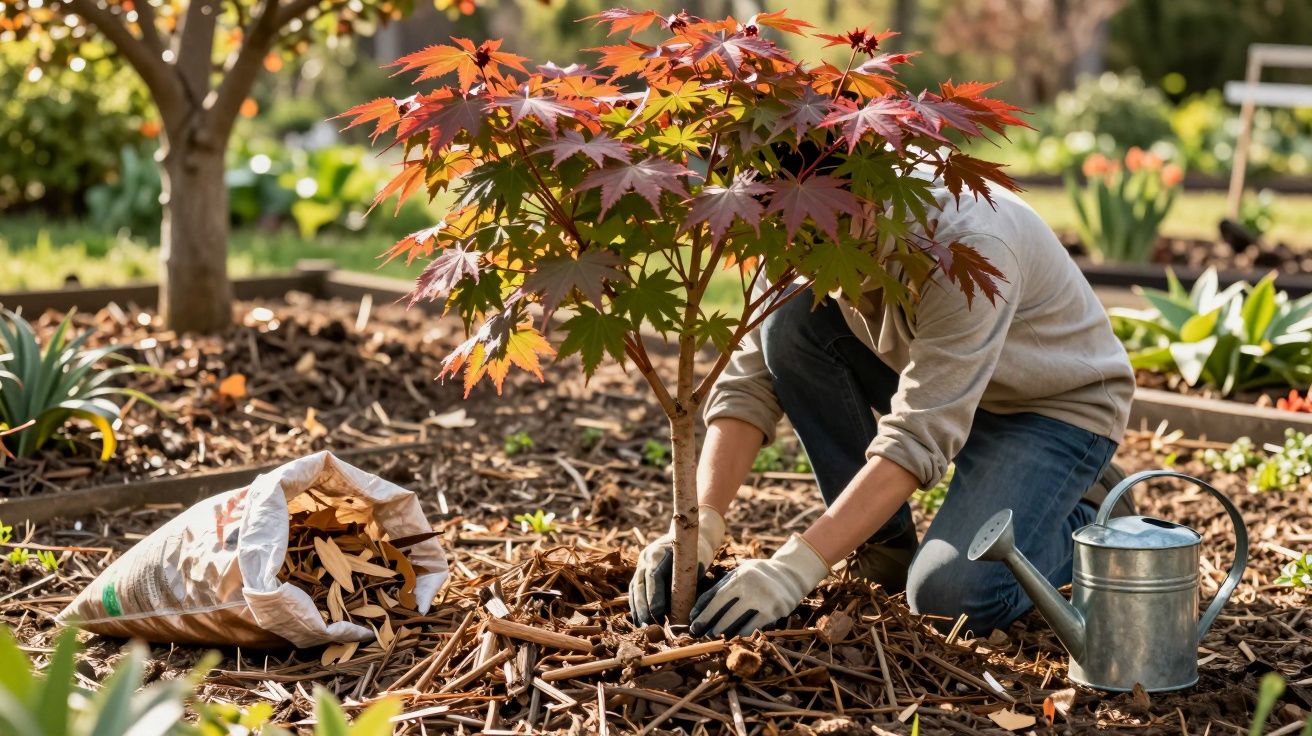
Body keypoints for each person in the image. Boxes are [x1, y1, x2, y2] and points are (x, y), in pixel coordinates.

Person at [628, 175, 1136, 639]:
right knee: (787, 327)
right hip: (938, 384)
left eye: (816, 237)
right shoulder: (792, 218)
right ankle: (884, 551)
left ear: (868, 205)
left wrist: (794, 570)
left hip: (1051, 408)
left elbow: (919, 434)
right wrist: (699, 526)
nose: (796, 255)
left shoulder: (966, 248)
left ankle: (1087, 516)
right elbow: (749, 383)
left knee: (951, 599)